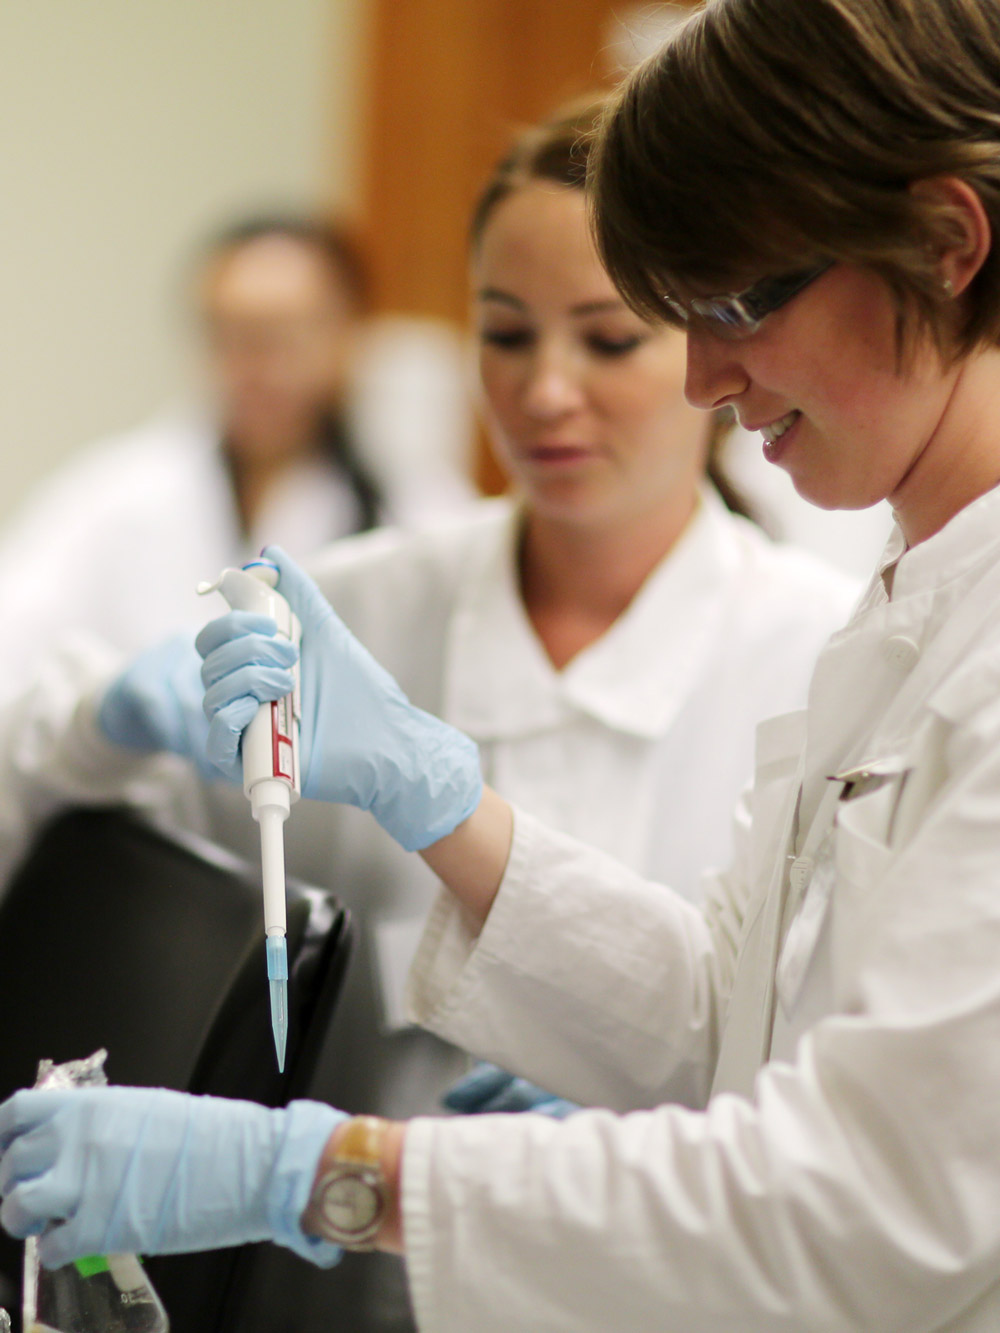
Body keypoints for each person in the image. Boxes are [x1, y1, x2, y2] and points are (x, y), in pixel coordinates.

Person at [17, 20, 985, 1318]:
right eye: (509, 334)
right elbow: (718, 1015)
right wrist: (443, 803)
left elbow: (868, 1205)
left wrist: (320, 1173)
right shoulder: (904, 616)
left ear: (944, 242)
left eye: (739, 303)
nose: (703, 378)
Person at [0, 215, 475, 703]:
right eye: (231, 335)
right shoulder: (114, 497)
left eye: (283, 336)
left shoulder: (419, 509)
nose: (256, 365)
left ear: (347, 334)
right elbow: (12, 660)